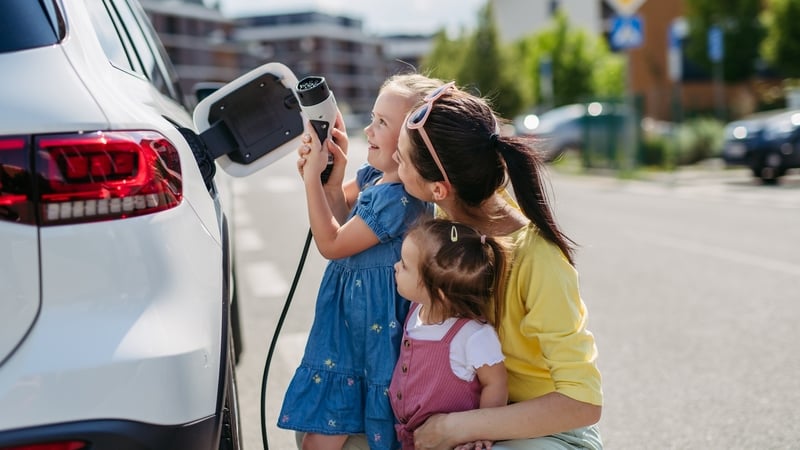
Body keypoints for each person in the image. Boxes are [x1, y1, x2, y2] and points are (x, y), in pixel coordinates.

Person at [393, 81, 604, 449]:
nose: (395, 165)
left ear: (439, 188)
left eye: (401, 159)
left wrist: (458, 428)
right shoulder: (458, 207)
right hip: (481, 418)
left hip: (550, 432)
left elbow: (582, 403)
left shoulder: (539, 261)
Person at [278, 74, 442, 450]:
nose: (368, 129)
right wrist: (329, 180)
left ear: (411, 144)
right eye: (372, 117)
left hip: (370, 330)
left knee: (327, 436)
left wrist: (309, 182)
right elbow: (339, 216)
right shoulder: (374, 177)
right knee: (324, 433)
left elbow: (332, 242)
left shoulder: (398, 198)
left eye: (382, 123)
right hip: (350, 325)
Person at [390, 218, 509, 450]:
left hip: (451, 443)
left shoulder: (472, 336)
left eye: (404, 265)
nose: (395, 266)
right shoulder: (416, 309)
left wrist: (483, 429)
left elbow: (496, 383)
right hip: (412, 437)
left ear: (438, 292)